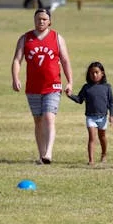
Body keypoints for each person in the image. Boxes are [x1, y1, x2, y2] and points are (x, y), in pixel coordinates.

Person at [11, 8, 73, 165]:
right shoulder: (26, 39)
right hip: (33, 87)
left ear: (50, 21)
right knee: (38, 121)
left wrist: (69, 81)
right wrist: (15, 78)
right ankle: (41, 155)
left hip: (52, 85)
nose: (41, 22)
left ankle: (48, 153)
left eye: (44, 19)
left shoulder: (57, 38)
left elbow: (65, 61)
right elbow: (17, 60)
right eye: (38, 19)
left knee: (49, 118)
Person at [68, 61, 113, 165]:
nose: (94, 75)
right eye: (92, 73)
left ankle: (104, 154)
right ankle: (91, 160)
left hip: (103, 117)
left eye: (97, 72)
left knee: (102, 137)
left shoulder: (107, 87)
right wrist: (70, 95)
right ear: (89, 74)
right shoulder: (86, 87)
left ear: (102, 73)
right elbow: (80, 100)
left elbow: (111, 103)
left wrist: (112, 115)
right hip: (90, 117)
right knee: (92, 138)